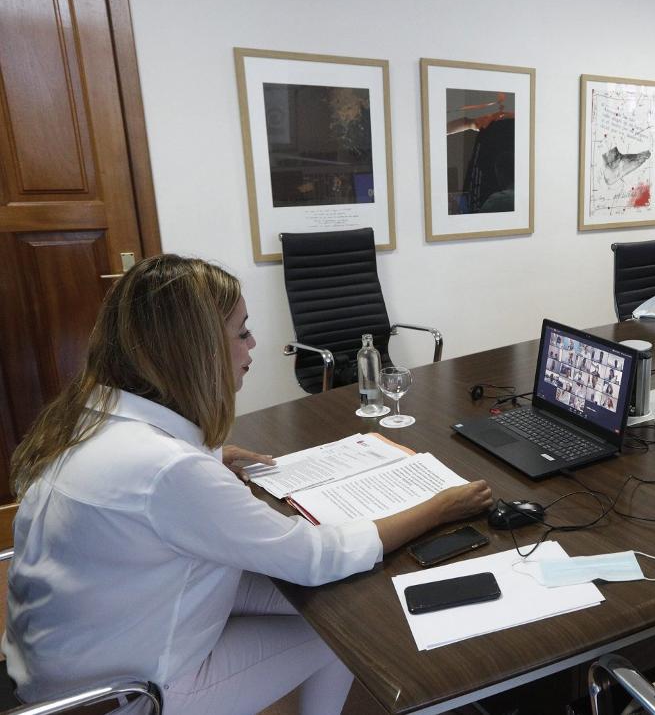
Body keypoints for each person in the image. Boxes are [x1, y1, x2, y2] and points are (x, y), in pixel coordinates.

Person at [1, 255, 494, 715]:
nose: (253, 345)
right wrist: (437, 508)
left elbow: (157, 487)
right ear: (195, 351)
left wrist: (212, 458)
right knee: (343, 632)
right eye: (243, 332)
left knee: (331, 602)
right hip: (131, 689)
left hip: (61, 656)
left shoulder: (92, 415)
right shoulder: (166, 471)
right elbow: (311, 555)